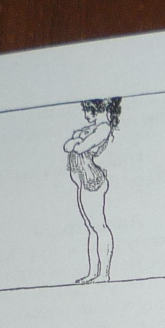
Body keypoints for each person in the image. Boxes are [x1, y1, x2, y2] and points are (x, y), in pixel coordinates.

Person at [64, 98, 121, 283]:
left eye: (87, 110)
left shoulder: (103, 128)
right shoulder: (92, 128)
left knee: (99, 226)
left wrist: (77, 140)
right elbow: (68, 146)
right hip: (83, 181)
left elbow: (79, 147)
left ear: (96, 109)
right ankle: (93, 272)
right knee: (92, 228)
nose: (85, 114)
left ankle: (103, 274)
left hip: (92, 181)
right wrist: (76, 140)